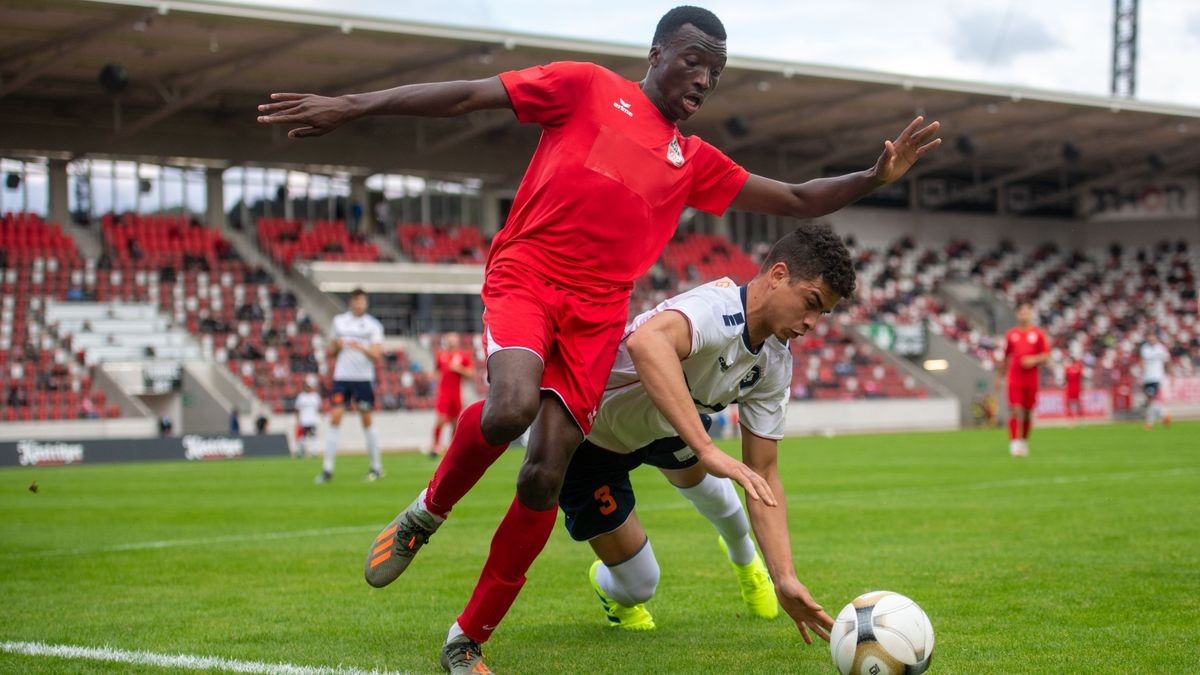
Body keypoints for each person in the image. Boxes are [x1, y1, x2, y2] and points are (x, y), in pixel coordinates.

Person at [259, 6, 939, 672]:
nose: (704, 79)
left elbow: (794, 198)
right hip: (528, 273)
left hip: (599, 315)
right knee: (510, 408)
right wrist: (351, 105)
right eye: (694, 61)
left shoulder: (693, 160)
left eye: (716, 72)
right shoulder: (586, 88)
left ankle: (466, 638)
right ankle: (424, 513)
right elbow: (468, 96)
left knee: (545, 470)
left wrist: (873, 178)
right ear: (657, 54)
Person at [561, 224, 848, 640]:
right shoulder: (716, 309)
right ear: (778, 275)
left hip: (668, 421)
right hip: (589, 442)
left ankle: (749, 565)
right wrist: (707, 448)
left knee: (723, 494)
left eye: (822, 313)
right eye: (811, 303)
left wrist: (784, 574)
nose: (811, 323)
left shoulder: (777, 362)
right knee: (640, 585)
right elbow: (647, 344)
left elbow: (763, 474)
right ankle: (612, 594)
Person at [315, 288, 385, 483]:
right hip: (342, 378)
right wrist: (337, 345)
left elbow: (376, 355)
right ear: (350, 303)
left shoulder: (373, 326)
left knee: (366, 420)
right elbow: (333, 352)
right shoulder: (339, 322)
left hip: (363, 379)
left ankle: (376, 467)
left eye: (362, 302)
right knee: (335, 417)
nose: (359, 305)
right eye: (356, 301)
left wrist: (360, 346)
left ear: (366, 304)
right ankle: (327, 469)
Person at [995, 302, 1049, 457]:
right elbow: (1005, 357)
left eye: (1027, 312)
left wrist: (1033, 360)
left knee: (1027, 412)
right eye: (1021, 312)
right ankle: (1014, 443)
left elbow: (1046, 356)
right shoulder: (1011, 334)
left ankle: (1023, 441)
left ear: (1031, 314)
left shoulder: (1038, 334)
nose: (1024, 315)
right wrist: (999, 377)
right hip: (1015, 378)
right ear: (1017, 314)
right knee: (1015, 410)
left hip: (1031, 379)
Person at [431, 333, 475, 458]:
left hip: (456, 393)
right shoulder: (441, 355)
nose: (452, 342)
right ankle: (435, 446)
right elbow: (437, 371)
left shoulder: (463, 356)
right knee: (440, 419)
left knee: (455, 422)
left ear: (457, 342)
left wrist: (459, 369)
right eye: (450, 340)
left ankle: (451, 447)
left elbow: (471, 373)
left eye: (454, 340)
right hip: (444, 393)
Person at [1140, 332, 1172, 430]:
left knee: (1151, 398)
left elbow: (1167, 361)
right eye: (1149, 338)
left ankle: (1162, 415)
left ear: (1155, 338)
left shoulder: (1161, 348)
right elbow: (1142, 361)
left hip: (1156, 377)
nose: (1150, 340)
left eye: (1152, 338)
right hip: (1146, 377)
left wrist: (1170, 373)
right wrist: (1142, 373)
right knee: (1150, 401)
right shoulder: (1144, 348)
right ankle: (1153, 421)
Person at [294, 377, 322, 458]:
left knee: (313, 436)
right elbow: (297, 409)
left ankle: (314, 452)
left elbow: (318, 408)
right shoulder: (301, 396)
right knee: (302, 437)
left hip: (312, 420)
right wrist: (298, 420)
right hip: (303, 420)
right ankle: (301, 452)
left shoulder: (315, 396)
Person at [1063, 358, 1084, 425]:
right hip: (1075, 387)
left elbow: (1065, 378)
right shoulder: (1078, 368)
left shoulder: (1068, 369)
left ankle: (1072, 419)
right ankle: (1077, 418)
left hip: (1071, 388)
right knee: (1076, 403)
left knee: (1071, 403)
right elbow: (1081, 377)